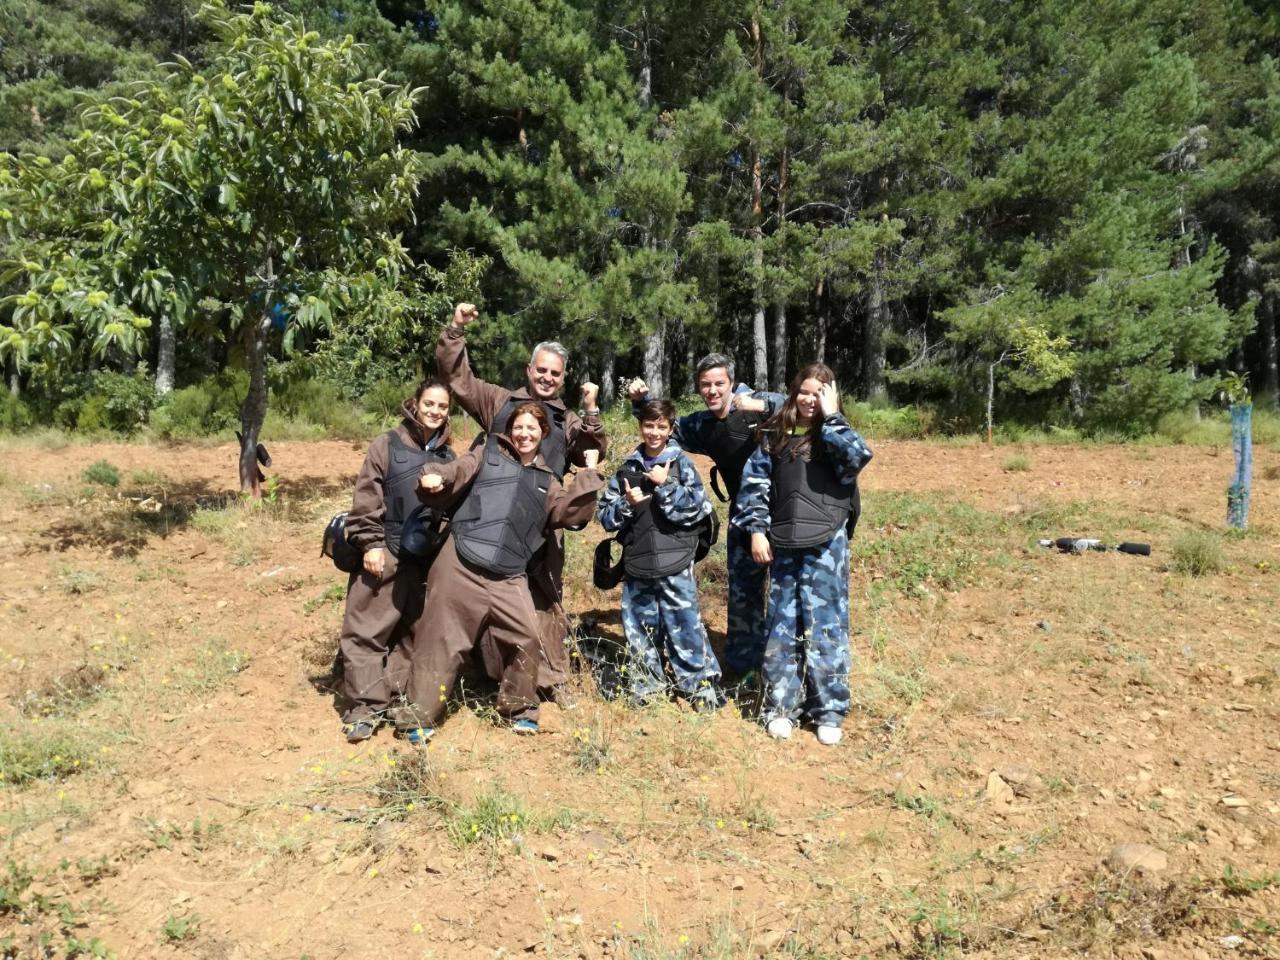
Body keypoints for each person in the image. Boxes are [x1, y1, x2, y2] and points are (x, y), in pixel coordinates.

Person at [395, 403, 604, 741]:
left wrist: (589, 477)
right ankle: (419, 718)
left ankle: (519, 708)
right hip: (460, 562)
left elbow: (568, 512)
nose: (524, 434)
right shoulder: (487, 454)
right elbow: (457, 470)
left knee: (526, 636)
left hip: (509, 574)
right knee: (441, 640)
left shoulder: (546, 479)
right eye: (519, 427)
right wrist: (437, 475)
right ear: (510, 430)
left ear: (543, 434)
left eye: (532, 429)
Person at [437, 303, 607, 701]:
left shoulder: (568, 422)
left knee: (545, 600)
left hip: (541, 525)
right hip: (485, 522)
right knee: (469, 592)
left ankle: (552, 679)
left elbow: (591, 452)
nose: (547, 377)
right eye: (541, 370)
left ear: (562, 379)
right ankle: (481, 670)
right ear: (529, 371)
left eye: (555, 373)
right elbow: (456, 378)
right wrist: (456, 330)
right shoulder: (498, 402)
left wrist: (592, 412)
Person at [731, 363, 873, 746]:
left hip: (827, 544)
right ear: (794, 393)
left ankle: (828, 710)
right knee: (782, 627)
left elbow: (858, 458)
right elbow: (754, 485)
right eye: (805, 392)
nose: (810, 400)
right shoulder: (776, 434)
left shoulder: (836, 433)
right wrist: (757, 530)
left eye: (819, 393)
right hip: (782, 542)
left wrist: (833, 417)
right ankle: (781, 708)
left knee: (826, 628)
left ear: (830, 396)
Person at [627, 356, 783, 680]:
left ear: (732, 382)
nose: (712, 391)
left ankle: (785, 667)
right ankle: (743, 667)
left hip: (783, 513)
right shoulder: (704, 424)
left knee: (786, 592)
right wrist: (642, 403)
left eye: (719, 384)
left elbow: (802, 410)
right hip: (743, 514)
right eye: (705, 385)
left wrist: (757, 403)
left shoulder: (757, 408)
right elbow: (664, 427)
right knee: (743, 592)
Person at [337, 378, 456, 743]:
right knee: (367, 631)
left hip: (424, 560)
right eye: (429, 403)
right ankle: (363, 708)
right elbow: (366, 498)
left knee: (412, 636)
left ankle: (401, 704)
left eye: (443, 407)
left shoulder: (449, 457)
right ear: (415, 403)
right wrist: (370, 544)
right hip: (385, 552)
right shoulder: (386, 445)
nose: (435, 411)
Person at [597, 399, 723, 710]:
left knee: (685, 625)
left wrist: (665, 486)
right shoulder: (627, 467)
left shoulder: (680, 464)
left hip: (676, 562)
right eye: (649, 425)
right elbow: (604, 518)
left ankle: (700, 689)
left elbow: (700, 509)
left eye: (661, 426)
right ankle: (648, 687)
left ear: (670, 429)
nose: (654, 432)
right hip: (638, 562)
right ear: (641, 426)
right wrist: (626, 503)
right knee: (639, 628)